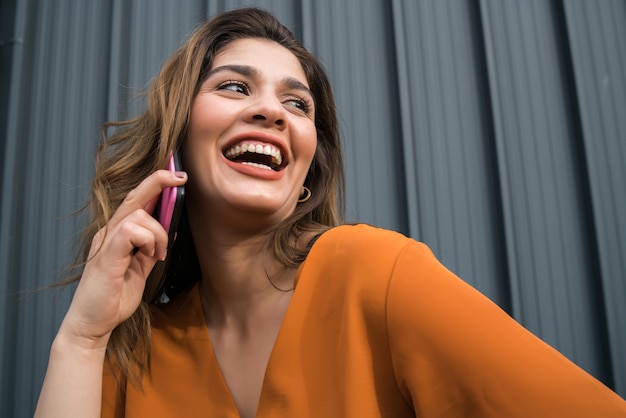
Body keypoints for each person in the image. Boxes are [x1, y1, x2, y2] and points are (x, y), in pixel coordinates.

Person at [34, 7, 626, 418]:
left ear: (305, 179)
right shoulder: (133, 347)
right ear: (176, 144)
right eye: (236, 88)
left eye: (297, 103)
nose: (273, 112)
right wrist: (81, 339)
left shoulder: (376, 272)